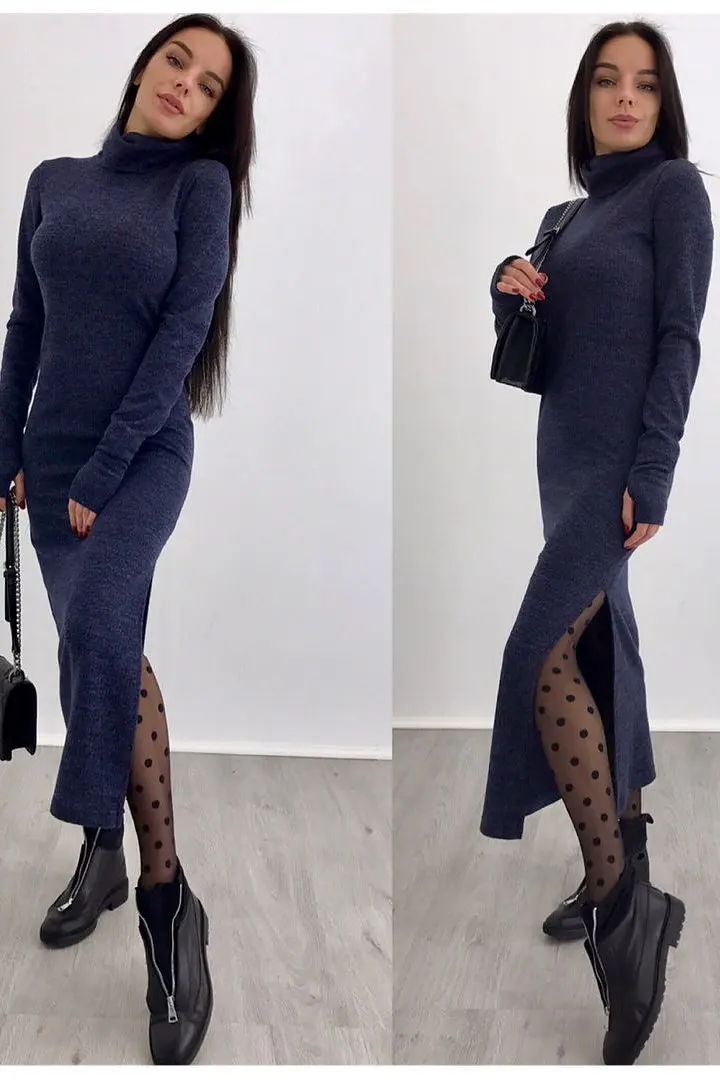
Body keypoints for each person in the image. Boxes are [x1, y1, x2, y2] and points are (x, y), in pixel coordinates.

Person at [0, 14, 256, 1066]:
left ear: (215, 115)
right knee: (92, 649)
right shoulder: (53, 181)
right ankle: (103, 853)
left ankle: (166, 900)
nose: (184, 86)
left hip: (141, 455)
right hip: (51, 457)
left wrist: (104, 473)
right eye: (176, 62)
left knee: (103, 626)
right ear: (146, 64)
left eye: (208, 86)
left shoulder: (199, 190)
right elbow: (26, 325)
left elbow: (183, 336)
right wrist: (6, 450)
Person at [482, 20, 713, 1066]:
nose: (626, 98)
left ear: (665, 105)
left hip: (618, 459)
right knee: (597, 651)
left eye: (646, 85)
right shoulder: (564, 216)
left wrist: (653, 468)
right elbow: (533, 352)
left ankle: (628, 916)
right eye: (609, 82)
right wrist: (508, 285)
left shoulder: (676, 193)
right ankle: (626, 864)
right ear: (584, 99)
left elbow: (679, 338)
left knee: (538, 658)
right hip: (562, 454)